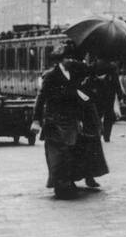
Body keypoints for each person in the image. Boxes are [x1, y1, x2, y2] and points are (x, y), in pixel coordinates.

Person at [31, 42, 91, 200]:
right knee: (58, 154)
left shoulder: (75, 73)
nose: (71, 60)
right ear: (60, 59)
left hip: (70, 120)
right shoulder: (51, 75)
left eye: (72, 57)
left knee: (70, 152)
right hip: (55, 121)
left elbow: (83, 82)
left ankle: (67, 182)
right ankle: (61, 185)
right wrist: (36, 120)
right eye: (67, 58)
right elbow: (41, 98)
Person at [73, 60, 109, 190]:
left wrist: (99, 120)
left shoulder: (96, 83)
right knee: (79, 149)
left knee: (91, 149)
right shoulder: (75, 83)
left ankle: (89, 176)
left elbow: (100, 101)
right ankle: (76, 177)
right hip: (80, 119)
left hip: (91, 119)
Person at [89, 58, 126, 143]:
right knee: (108, 116)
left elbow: (90, 82)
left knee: (97, 115)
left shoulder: (93, 65)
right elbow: (116, 84)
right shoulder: (112, 67)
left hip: (97, 95)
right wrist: (120, 97)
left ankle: (97, 134)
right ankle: (107, 136)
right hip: (109, 95)